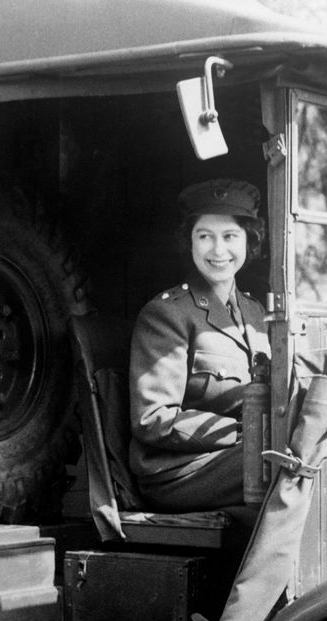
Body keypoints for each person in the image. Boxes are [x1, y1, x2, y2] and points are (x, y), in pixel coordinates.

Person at [129, 179, 271, 511]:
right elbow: (153, 418)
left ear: (249, 241)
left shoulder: (255, 312)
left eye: (230, 236)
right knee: (284, 463)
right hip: (179, 471)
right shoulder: (167, 313)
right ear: (189, 242)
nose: (218, 251)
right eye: (204, 236)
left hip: (235, 458)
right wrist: (242, 432)